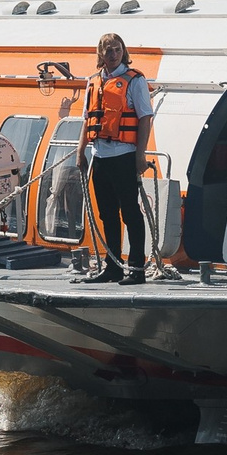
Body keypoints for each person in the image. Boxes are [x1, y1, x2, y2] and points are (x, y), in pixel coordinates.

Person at [82, 32, 154, 283]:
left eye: (117, 50)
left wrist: (140, 154)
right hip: (99, 155)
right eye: (108, 50)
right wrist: (81, 153)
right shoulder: (93, 82)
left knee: (131, 212)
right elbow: (86, 119)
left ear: (123, 52)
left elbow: (145, 117)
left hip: (123, 155)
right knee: (107, 214)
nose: (113, 55)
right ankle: (112, 266)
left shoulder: (135, 81)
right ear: (100, 54)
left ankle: (136, 269)